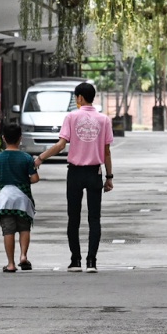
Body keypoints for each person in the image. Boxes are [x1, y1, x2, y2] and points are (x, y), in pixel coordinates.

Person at [35, 81, 113, 273]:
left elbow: (61, 145)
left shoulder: (71, 117)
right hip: (95, 172)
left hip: (75, 173)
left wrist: (40, 158)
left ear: (79, 98)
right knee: (94, 218)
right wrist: (109, 177)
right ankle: (92, 262)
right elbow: (107, 152)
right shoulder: (104, 120)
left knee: (74, 218)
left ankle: (75, 261)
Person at [0, 121, 41, 273]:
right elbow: (35, 178)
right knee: (24, 228)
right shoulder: (26, 158)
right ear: (20, 138)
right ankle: (23, 256)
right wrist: (24, 180)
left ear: (3, 138)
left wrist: (2, 181)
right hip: (23, 199)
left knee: (8, 231)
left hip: (5, 199)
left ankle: (10, 264)